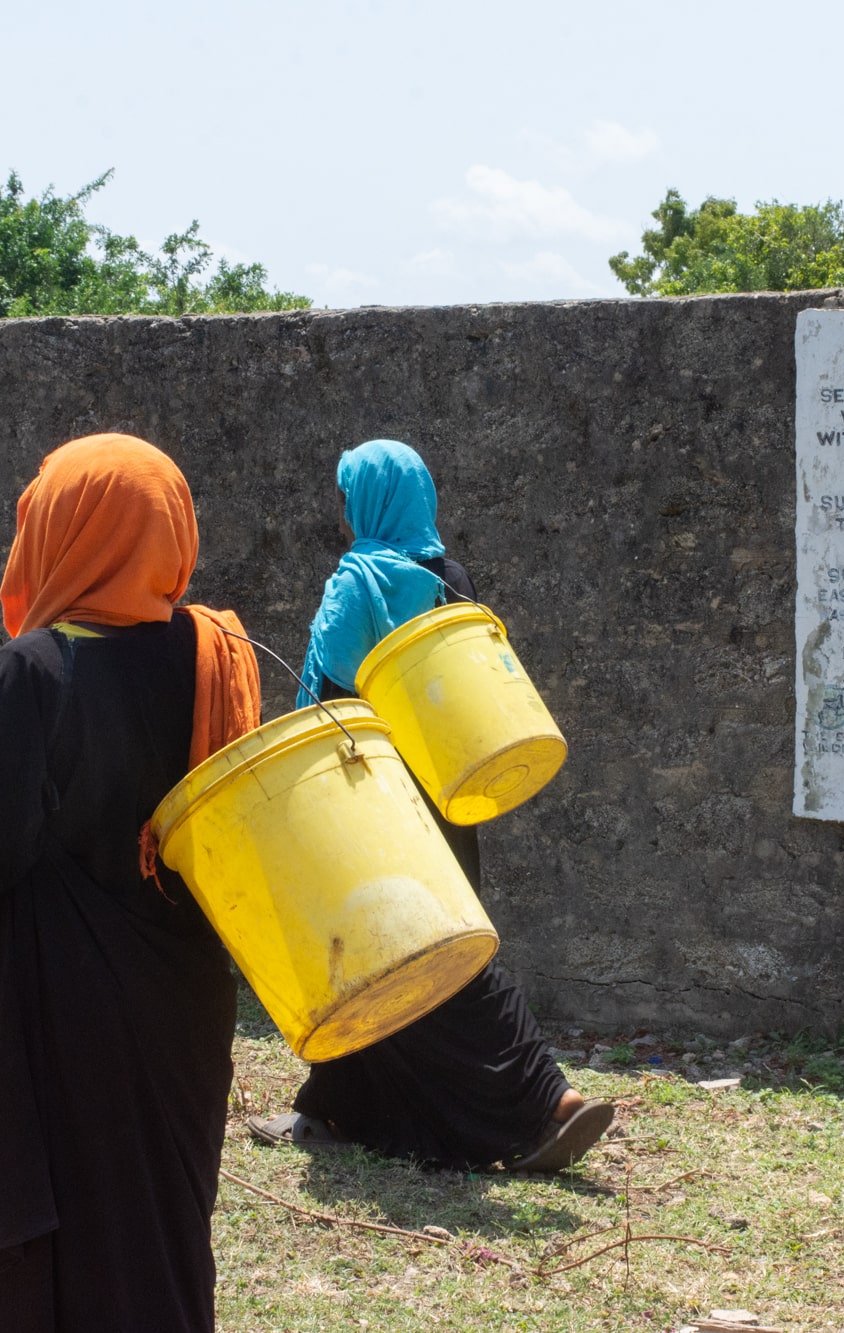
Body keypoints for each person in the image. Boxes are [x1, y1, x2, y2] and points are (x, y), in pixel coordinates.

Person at [0, 433, 260, 1333]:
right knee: (154, 1234)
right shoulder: (214, 651)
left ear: (60, 529)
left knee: (66, 1247)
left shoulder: (39, 669)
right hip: (184, 1005)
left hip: (62, 1016)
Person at [247, 438, 612, 1172]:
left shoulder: (358, 581)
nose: (347, 511)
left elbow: (327, 698)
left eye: (350, 496)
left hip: (372, 805)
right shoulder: (451, 579)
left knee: (435, 963)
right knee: (368, 961)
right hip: (447, 800)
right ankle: (334, 1108)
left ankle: (550, 1100)